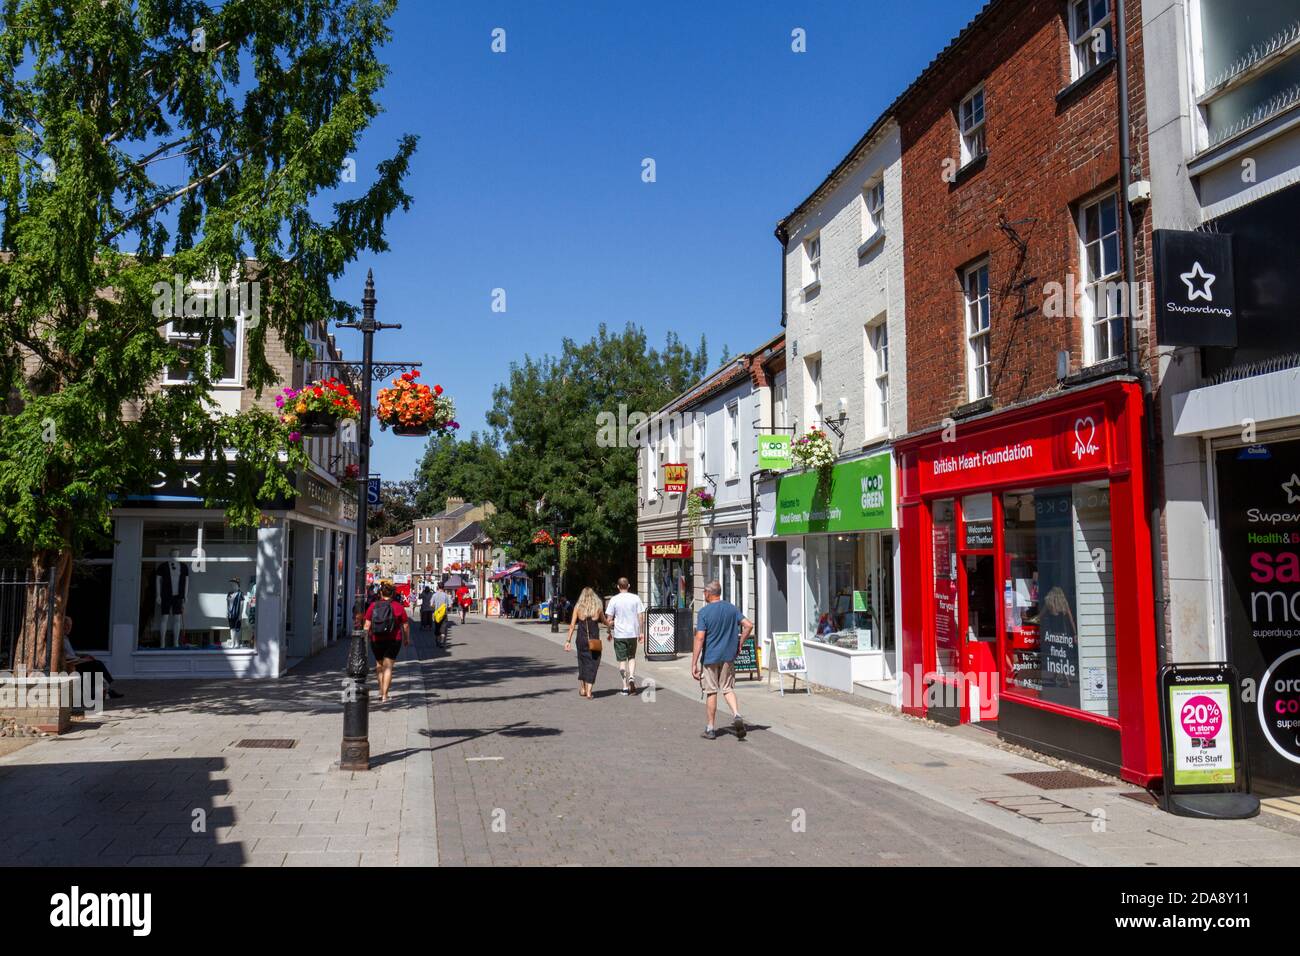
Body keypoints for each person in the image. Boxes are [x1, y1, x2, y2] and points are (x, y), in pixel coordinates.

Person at [691, 580, 753, 740]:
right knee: (727, 688)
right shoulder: (731, 608)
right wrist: (740, 643)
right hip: (728, 656)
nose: (703, 595)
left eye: (704, 592)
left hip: (711, 657)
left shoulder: (704, 612)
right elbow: (748, 625)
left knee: (711, 691)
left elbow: (699, 638)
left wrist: (694, 663)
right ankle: (737, 715)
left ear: (709, 593)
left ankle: (710, 728)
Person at [363, 581, 410, 702]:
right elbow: (405, 625)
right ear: (393, 594)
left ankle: (380, 691)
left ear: (380, 593)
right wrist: (406, 639)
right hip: (394, 639)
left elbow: (367, 625)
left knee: (379, 666)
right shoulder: (398, 607)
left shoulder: (373, 606)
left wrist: (363, 641)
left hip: (376, 639)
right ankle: (385, 695)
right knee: (388, 667)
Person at [61, 616, 124, 699]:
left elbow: (72, 653)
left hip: (77, 661)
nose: (70, 627)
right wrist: (83, 659)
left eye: (71, 625)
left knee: (96, 666)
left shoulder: (66, 638)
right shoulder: (60, 639)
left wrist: (84, 655)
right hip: (72, 665)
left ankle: (106, 690)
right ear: (63, 625)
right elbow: (67, 657)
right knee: (97, 664)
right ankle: (106, 688)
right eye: (67, 625)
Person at [604, 576, 646, 696]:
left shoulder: (614, 600)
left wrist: (608, 632)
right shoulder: (635, 598)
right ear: (628, 586)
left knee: (622, 661)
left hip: (620, 634)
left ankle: (624, 686)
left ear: (618, 587)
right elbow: (641, 617)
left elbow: (609, 619)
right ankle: (632, 676)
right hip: (632, 633)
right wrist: (641, 632)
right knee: (631, 657)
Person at [563, 587, 606, 699]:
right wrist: (610, 625)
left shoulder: (578, 607)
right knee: (593, 663)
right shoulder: (598, 607)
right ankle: (589, 691)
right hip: (594, 640)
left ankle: (582, 688)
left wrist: (568, 641)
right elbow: (604, 621)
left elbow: (572, 625)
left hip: (581, 639)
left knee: (582, 661)